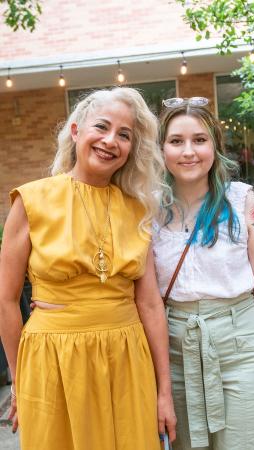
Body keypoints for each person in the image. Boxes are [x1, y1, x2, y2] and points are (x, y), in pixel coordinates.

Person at [0, 87, 176, 450]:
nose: (111, 141)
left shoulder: (138, 210)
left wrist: (164, 391)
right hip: (52, 359)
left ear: (131, 150)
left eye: (124, 135)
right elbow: (6, 300)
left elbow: (150, 305)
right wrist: (19, 380)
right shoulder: (32, 200)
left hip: (127, 357)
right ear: (77, 130)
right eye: (102, 127)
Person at [152, 96, 254, 450]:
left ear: (215, 146)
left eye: (200, 140)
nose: (189, 151)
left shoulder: (242, 200)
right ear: (161, 149)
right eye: (176, 141)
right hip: (175, 353)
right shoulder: (146, 208)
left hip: (244, 349)